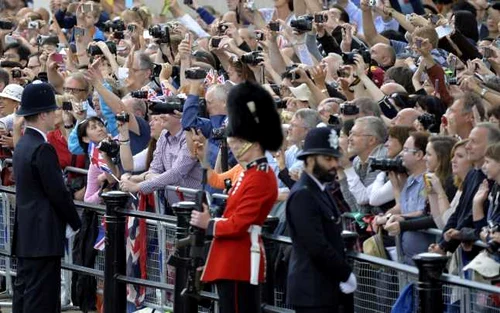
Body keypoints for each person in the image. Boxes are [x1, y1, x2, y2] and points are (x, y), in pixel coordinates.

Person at [189, 81, 283, 313]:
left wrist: (208, 223)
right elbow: (218, 181)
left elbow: (241, 223)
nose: (233, 145)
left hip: (240, 259)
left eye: (239, 142)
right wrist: (203, 160)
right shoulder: (249, 172)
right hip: (231, 257)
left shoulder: (260, 176)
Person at [12, 82, 81, 313]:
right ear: (43, 115)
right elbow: (57, 192)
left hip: (27, 233)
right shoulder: (42, 148)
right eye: (53, 111)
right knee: (41, 298)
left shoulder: (23, 144)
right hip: (43, 235)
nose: (56, 114)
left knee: (25, 292)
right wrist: (74, 221)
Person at [286, 127, 356, 313]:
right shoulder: (304, 194)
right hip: (313, 291)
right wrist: (344, 273)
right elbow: (316, 245)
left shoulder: (319, 189)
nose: (333, 164)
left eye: (334, 158)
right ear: (309, 160)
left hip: (324, 288)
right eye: (327, 159)